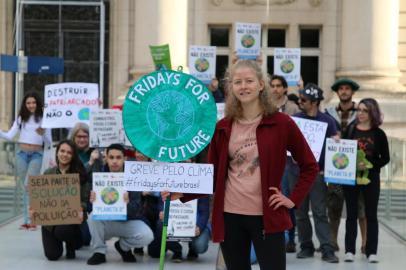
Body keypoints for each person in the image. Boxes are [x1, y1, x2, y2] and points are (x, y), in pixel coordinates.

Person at [163, 59, 319, 270]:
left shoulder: (282, 123)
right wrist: (182, 193)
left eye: (249, 81)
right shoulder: (223, 127)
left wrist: (293, 199)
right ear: (231, 87)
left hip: (268, 216)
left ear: (261, 84)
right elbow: (214, 175)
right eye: (237, 82)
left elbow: (310, 165)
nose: (243, 86)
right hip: (230, 216)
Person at [292, 83, 340, 263]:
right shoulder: (296, 118)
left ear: (314, 102)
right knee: (301, 212)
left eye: (303, 100)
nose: (300, 102)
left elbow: (334, 149)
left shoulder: (327, 121)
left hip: (317, 174)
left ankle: (327, 248)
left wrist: (335, 143)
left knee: (320, 211)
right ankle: (306, 246)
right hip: (297, 172)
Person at [87, 144, 154, 265]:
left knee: (147, 235)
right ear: (106, 158)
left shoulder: (133, 178)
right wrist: (92, 201)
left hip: (126, 221)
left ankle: (123, 247)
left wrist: (127, 204)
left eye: (118, 157)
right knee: (92, 216)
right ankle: (99, 252)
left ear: (125, 159)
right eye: (111, 157)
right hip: (107, 222)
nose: (114, 161)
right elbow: (92, 207)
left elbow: (135, 210)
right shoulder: (99, 177)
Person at [342, 98, 390, 263]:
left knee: (371, 215)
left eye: (364, 111)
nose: (360, 114)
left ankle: (371, 251)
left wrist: (369, 165)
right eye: (359, 110)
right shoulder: (350, 130)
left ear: (372, 113)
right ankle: (349, 250)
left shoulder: (379, 134)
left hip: (371, 178)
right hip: (350, 177)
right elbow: (342, 150)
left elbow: (385, 158)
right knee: (351, 214)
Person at [325, 78, 367, 253]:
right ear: (337, 92)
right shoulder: (328, 113)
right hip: (336, 168)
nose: (343, 91)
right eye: (340, 89)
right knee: (334, 207)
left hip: (356, 168)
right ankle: (333, 241)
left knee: (360, 208)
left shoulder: (361, 113)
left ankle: (365, 244)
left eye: (347, 89)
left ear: (352, 92)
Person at [0, 91, 52, 230]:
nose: (31, 105)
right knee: (26, 187)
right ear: (25, 104)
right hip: (21, 154)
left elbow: (49, 141)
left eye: (33, 102)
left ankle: (32, 220)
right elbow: (10, 136)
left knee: (30, 185)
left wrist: (43, 134)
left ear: (38, 103)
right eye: (28, 103)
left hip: (37, 154)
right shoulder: (21, 118)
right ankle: (26, 220)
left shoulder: (44, 118)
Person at [39, 140, 89, 260]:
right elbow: (40, 200)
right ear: (57, 153)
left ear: (73, 156)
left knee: (63, 231)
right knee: (52, 255)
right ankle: (58, 240)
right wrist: (35, 210)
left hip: (71, 219)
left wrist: (80, 208)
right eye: (62, 151)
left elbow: (85, 201)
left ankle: (72, 244)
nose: (65, 155)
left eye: (69, 152)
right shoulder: (48, 174)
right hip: (50, 221)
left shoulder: (80, 174)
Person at [270, 74, 300, 253]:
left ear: (285, 88)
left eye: (278, 86)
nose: (275, 89)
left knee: (287, 198)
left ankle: (291, 237)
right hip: (270, 158)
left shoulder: (293, 108)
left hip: (289, 161)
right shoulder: (264, 106)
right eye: (272, 85)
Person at [148, 197, 211, 262]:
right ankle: (176, 249)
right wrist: (162, 211)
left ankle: (192, 249)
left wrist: (199, 227)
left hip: (194, 224)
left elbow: (204, 212)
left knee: (200, 245)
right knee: (154, 252)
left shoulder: (202, 189)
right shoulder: (168, 187)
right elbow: (161, 203)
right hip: (172, 221)